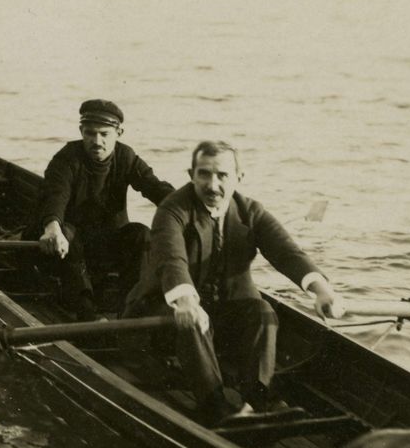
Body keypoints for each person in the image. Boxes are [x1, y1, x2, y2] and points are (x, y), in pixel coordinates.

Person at [123, 140, 346, 426]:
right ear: (191, 174)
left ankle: (256, 400)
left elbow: (287, 253)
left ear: (239, 178)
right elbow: (171, 260)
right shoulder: (172, 210)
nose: (212, 185)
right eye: (204, 174)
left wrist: (323, 291)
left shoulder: (251, 211)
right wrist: (186, 302)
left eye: (222, 176)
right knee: (194, 320)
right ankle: (214, 406)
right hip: (162, 319)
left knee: (263, 311)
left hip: (218, 318)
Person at [32, 99, 175, 320]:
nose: (96, 141)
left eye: (104, 134)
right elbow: (55, 196)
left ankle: (131, 311)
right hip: (68, 249)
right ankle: (87, 314)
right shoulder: (66, 159)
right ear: (81, 131)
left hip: (106, 246)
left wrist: (188, 210)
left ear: (119, 133)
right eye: (90, 133)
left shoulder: (126, 157)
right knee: (67, 233)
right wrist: (52, 228)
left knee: (141, 234)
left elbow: (155, 188)